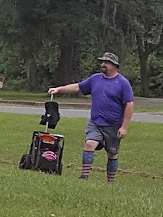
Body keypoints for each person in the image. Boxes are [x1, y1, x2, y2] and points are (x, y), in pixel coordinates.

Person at [47, 52, 134, 182]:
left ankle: (111, 181)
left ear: (115, 65)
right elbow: (77, 87)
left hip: (113, 125)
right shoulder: (95, 79)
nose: (103, 64)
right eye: (102, 62)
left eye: (107, 62)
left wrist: (124, 127)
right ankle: (84, 176)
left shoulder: (122, 83)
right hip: (96, 122)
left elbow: (129, 105)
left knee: (112, 153)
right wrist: (59, 89)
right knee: (89, 144)